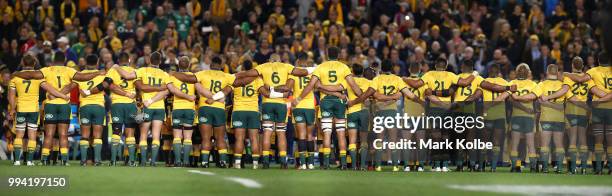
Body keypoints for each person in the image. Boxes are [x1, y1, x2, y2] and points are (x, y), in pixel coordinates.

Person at [13, 51, 104, 166]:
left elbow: (31, 75)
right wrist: (98, 73)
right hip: (64, 104)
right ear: (65, 59)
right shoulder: (69, 70)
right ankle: (64, 160)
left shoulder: (47, 70)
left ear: (53, 59)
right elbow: (82, 77)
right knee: (63, 134)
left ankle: (44, 160)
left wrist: (16, 73)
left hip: (50, 104)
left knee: (49, 134)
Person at [170, 56, 255, 168]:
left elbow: (188, 78)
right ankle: (223, 162)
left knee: (206, 138)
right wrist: (255, 75)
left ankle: (205, 162)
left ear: (210, 65)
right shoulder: (226, 76)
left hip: (204, 108)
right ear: (221, 66)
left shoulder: (203, 73)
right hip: (219, 109)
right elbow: (242, 81)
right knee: (220, 138)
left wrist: (174, 74)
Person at [235, 54, 309, 169]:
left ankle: (265, 162)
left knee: (267, 132)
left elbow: (247, 73)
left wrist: (235, 75)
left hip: (267, 103)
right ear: (280, 60)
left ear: (269, 60)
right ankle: (283, 162)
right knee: (281, 133)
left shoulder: (263, 66)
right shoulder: (286, 67)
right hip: (281, 104)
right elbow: (302, 74)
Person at [293, 46, 362, 169]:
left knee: (327, 133)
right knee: (341, 133)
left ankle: (326, 164)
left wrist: (299, 98)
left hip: (325, 102)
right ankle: (344, 164)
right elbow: (352, 84)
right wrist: (360, 96)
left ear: (327, 54)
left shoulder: (321, 67)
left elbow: (311, 85)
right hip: (339, 102)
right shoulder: (344, 67)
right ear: (339, 55)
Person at [347, 60, 419, 172]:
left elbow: (371, 95)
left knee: (379, 140)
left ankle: (378, 166)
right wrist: (396, 97)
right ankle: (395, 166)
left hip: (379, 112)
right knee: (393, 140)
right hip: (392, 112)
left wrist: (355, 101)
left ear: (381, 68)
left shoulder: (377, 79)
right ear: (392, 68)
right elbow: (407, 94)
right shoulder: (397, 79)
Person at [8, 54, 68, 166]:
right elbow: (50, 89)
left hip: (21, 108)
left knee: (19, 135)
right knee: (32, 135)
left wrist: (12, 109)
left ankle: (17, 160)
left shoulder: (15, 77)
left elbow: (11, 95)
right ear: (34, 63)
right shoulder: (38, 77)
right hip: (33, 109)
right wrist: (62, 95)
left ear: (22, 63)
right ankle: (30, 161)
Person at [113, 51, 170, 166]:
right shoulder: (165, 74)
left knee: (143, 134)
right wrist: (157, 92)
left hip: (147, 106)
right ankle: (153, 162)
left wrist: (117, 68)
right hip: (159, 107)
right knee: (156, 135)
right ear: (160, 62)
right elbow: (167, 90)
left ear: (149, 60)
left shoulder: (142, 70)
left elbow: (127, 76)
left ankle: (143, 162)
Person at [419, 57, 475, 172]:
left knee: (435, 137)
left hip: (434, 109)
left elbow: (428, 94)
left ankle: (436, 165)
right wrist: (475, 73)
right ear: (446, 66)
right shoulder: (450, 75)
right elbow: (465, 83)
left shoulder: (428, 74)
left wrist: (438, 103)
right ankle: (444, 165)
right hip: (447, 109)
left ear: (435, 65)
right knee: (445, 137)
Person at [231, 60, 274, 169]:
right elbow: (265, 93)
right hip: (253, 111)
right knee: (254, 138)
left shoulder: (235, 78)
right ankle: (255, 164)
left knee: (239, 138)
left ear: (241, 68)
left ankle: (237, 163)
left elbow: (229, 92)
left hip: (239, 110)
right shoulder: (257, 79)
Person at [478, 64, 514, 172]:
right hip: (500, 115)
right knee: (496, 142)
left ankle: (481, 167)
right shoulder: (505, 83)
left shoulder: (483, 82)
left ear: (489, 71)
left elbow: (478, 96)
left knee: (484, 142)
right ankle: (493, 168)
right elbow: (510, 100)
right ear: (498, 71)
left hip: (487, 115)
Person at [106, 52, 138, 166]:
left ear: (118, 60)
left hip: (117, 104)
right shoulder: (134, 71)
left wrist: (123, 94)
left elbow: (111, 86)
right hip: (130, 105)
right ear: (129, 60)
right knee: (130, 133)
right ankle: (132, 161)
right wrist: (129, 95)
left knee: (116, 132)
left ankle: (113, 161)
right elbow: (139, 87)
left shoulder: (113, 70)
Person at [451, 59, 483, 172]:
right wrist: (471, 99)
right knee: (471, 139)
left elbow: (452, 92)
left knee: (459, 139)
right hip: (470, 111)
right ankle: (472, 165)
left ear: (463, 66)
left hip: (458, 110)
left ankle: (460, 165)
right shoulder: (478, 78)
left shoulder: (457, 77)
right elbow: (478, 94)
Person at [76, 54, 107, 166]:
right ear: (97, 62)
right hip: (99, 106)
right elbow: (105, 87)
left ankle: (83, 161)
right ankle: (97, 161)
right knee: (97, 135)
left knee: (85, 134)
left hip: (85, 106)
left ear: (85, 62)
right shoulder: (102, 74)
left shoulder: (79, 75)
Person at [288, 54, 317, 170]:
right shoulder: (312, 75)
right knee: (310, 135)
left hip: (298, 107)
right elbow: (318, 86)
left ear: (298, 62)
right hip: (310, 106)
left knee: (301, 135)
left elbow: (288, 89)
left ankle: (303, 164)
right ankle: (311, 164)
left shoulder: (293, 75)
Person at [508, 63, 539, 173]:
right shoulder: (533, 84)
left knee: (515, 144)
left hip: (516, 117)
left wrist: (517, 99)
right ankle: (533, 167)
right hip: (528, 117)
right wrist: (527, 109)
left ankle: (516, 167)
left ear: (516, 72)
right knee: (530, 144)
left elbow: (512, 101)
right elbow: (534, 98)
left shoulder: (511, 83)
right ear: (528, 72)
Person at [166, 56, 196, 167]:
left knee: (177, 136)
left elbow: (170, 90)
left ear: (179, 65)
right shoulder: (194, 77)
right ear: (189, 65)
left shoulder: (173, 76)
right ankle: (186, 161)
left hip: (177, 108)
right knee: (188, 137)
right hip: (189, 109)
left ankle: (178, 161)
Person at [344, 63, 371, 170]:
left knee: (352, 140)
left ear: (352, 72)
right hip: (364, 112)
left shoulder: (348, 82)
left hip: (352, 112)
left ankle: (354, 165)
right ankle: (363, 165)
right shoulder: (368, 82)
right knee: (364, 139)